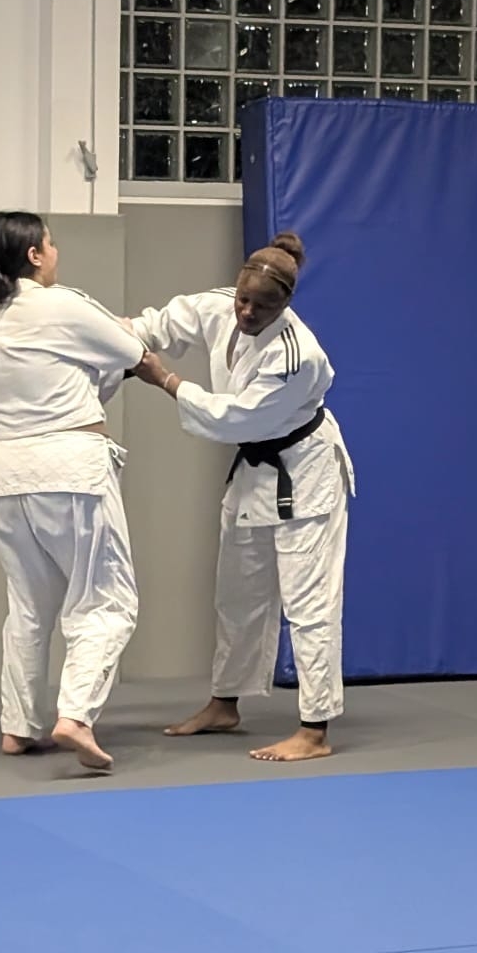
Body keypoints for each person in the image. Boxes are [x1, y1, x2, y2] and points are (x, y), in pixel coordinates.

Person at [131, 231, 353, 763]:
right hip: (256, 470)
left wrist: (166, 380)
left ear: (286, 304)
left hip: (305, 472)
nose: (247, 312)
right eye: (243, 299)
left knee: (309, 604)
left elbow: (236, 418)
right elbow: (162, 323)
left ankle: (315, 730)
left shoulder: (297, 355)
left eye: (262, 306)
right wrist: (113, 337)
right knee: (238, 592)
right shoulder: (220, 306)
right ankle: (224, 703)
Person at [0, 211, 145, 774]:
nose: (55, 251)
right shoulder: (60, 304)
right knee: (106, 600)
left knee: (29, 604)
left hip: (5, 477)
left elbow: (67, 378)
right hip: (70, 469)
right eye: (50, 243)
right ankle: (76, 716)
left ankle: (17, 725)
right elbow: (130, 350)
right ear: (34, 255)